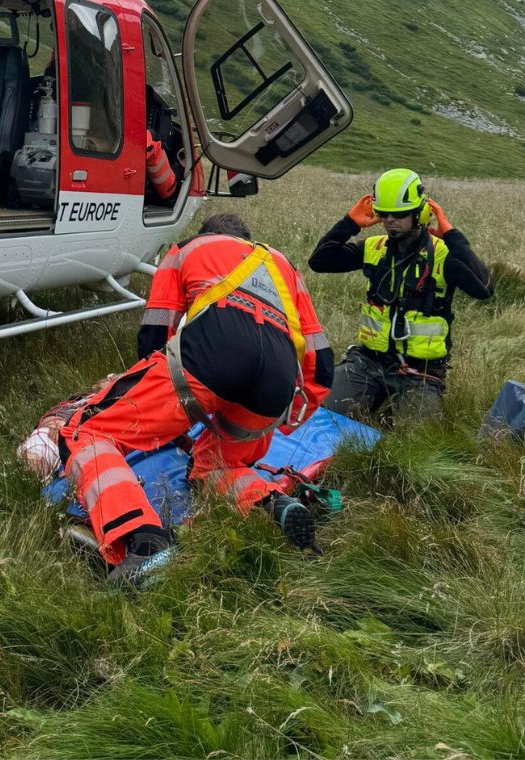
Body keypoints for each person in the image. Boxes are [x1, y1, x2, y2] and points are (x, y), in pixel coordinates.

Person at [57, 213, 333, 586]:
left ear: (209, 234)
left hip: (214, 354)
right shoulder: (286, 269)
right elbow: (323, 366)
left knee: (88, 433)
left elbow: (155, 334)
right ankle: (271, 503)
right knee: (217, 465)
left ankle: (141, 541)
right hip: (276, 386)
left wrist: (163, 412)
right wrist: (282, 421)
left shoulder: (186, 249)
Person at [308, 168, 493, 419]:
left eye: (398, 214)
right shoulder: (373, 248)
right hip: (367, 363)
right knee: (322, 418)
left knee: (413, 445)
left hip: (423, 374)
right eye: (383, 213)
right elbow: (319, 262)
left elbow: (484, 289)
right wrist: (349, 224)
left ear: (421, 212)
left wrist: (452, 236)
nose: (389, 220)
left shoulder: (444, 255)